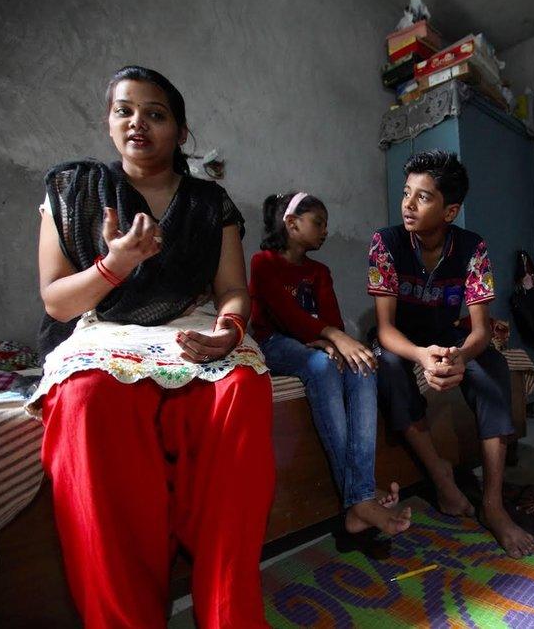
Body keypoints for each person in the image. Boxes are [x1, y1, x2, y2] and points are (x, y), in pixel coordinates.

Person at [29, 66, 275, 628]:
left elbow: (233, 290)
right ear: (109, 122)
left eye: (156, 113)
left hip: (189, 329)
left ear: (180, 131)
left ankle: (229, 616)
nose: (138, 122)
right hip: (102, 331)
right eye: (125, 110)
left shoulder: (212, 204)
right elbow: (58, 303)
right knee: (86, 398)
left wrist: (228, 334)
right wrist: (114, 265)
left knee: (243, 385)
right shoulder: (72, 189)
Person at [368, 149, 534, 558]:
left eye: (423, 197)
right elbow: (386, 330)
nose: (408, 204)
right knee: (387, 367)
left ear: (450, 210)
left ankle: (493, 504)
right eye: (407, 193)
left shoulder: (471, 247)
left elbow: (480, 330)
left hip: (446, 334)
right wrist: (422, 357)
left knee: (492, 365)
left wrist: (459, 356)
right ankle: (440, 475)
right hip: (402, 338)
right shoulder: (385, 244)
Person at [249, 192, 412, 537]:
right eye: (318, 223)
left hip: (318, 340)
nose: (325, 231)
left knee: (362, 364)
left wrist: (335, 340)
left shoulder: (319, 271)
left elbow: (332, 320)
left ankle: (360, 498)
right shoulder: (263, 263)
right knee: (322, 366)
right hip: (275, 343)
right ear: (292, 224)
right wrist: (332, 340)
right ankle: (361, 496)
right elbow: (286, 316)